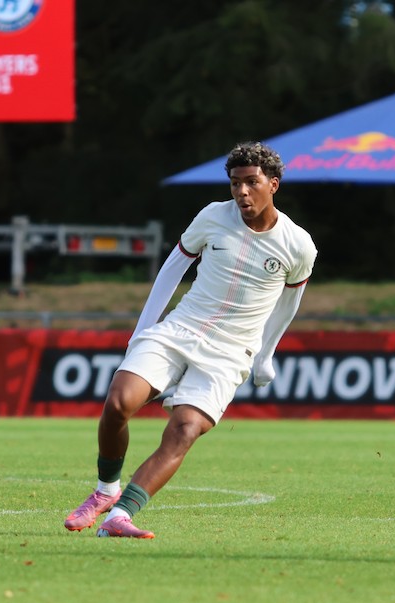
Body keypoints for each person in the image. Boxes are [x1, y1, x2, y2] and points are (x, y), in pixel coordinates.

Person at [64, 142, 317, 539]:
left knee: (183, 431)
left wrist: (265, 355)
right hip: (181, 329)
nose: (242, 192)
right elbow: (171, 270)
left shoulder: (298, 244)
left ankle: (120, 517)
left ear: (274, 184)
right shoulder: (213, 217)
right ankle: (105, 491)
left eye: (252, 183)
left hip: (230, 352)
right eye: (235, 183)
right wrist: (142, 331)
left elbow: (289, 302)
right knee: (118, 402)